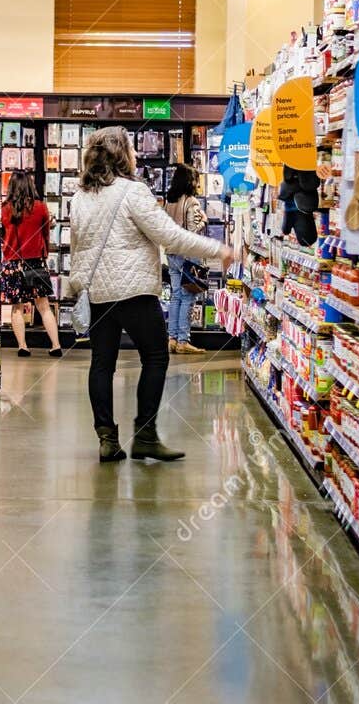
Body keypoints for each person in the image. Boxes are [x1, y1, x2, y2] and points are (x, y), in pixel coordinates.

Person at [67, 127, 234, 463]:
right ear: (122, 154)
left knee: (102, 364)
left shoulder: (79, 197)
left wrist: (78, 286)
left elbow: (77, 249)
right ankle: (145, 436)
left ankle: (107, 439)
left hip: (97, 294)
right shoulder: (133, 192)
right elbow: (171, 237)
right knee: (156, 357)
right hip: (134, 292)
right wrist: (216, 248)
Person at [0, 171, 62, 358]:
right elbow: (46, 236)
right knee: (44, 306)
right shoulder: (41, 207)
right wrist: (44, 252)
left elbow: (2, 235)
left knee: (17, 308)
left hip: (12, 263)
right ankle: (56, 345)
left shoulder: (5, 209)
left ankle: (23, 346)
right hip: (35, 262)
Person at [162, 163, 210, 355]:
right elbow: (192, 230)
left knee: (176, 296)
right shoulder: (191, 202)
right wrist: (204, 220)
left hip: (171, 251)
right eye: (196, 179)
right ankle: (183, 340)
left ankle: (172, 338)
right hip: (187, 253)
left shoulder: (169, 201)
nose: (198, 183)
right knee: (188, 296)